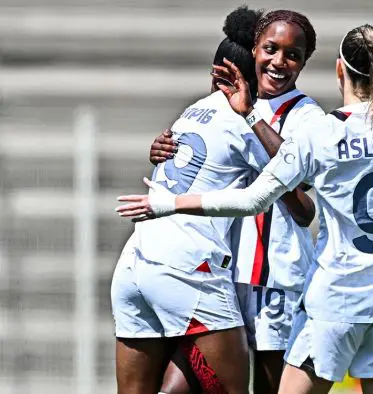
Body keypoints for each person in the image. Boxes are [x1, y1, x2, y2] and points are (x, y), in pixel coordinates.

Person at [117, 25, 373, 394]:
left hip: (331, 303)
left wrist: (169, 203)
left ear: (338, 69)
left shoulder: (320, 132)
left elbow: (254, 200)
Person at [110, 6, 316, 394]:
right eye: (269, 50)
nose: (278, 62)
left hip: (146, 263)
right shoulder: (239, 115)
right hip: (199, 266)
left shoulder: (198, 111)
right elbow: (299, 198)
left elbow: (301, 187)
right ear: (250, 56)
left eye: (292, 54)